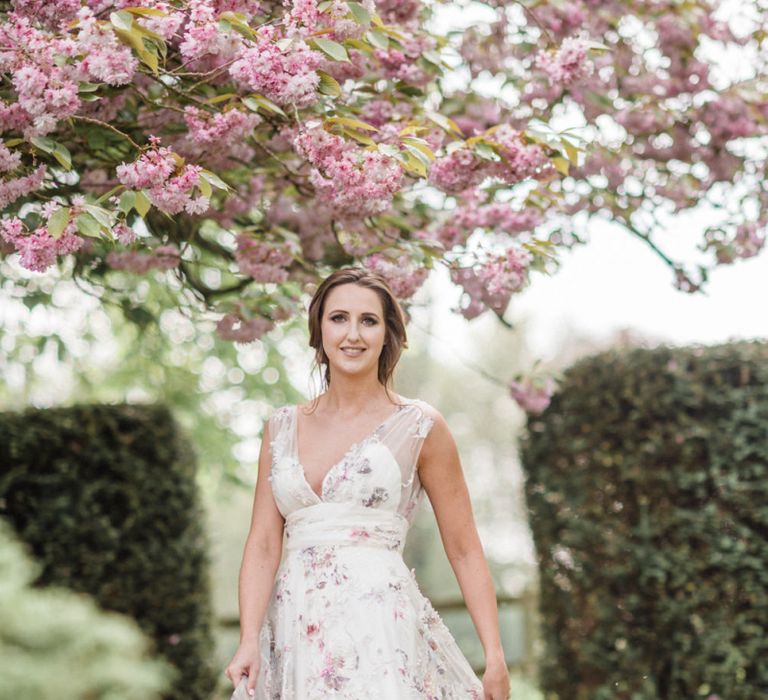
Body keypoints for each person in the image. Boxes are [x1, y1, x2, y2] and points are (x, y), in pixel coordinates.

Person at [224, 267, 510, 699]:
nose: (352, 334)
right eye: (339, 318)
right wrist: (249, 639)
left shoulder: (420, 426)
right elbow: (264, 542)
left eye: (369, 320)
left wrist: (495, 655)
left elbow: (464, 546)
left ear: (387, 333)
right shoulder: (279, 428)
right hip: (296, 627)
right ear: (318, 329)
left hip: (381, 628)